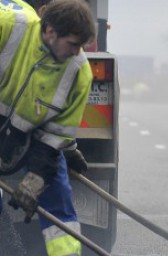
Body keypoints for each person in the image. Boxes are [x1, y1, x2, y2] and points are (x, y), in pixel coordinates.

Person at [0, 0, 94, 255]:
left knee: (57, 192)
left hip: (28, 132)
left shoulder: (79, 73)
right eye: (73, 44)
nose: (77, 53)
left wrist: (38, 176)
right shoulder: (8, 26)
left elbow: (53, 139)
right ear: (50, 31)